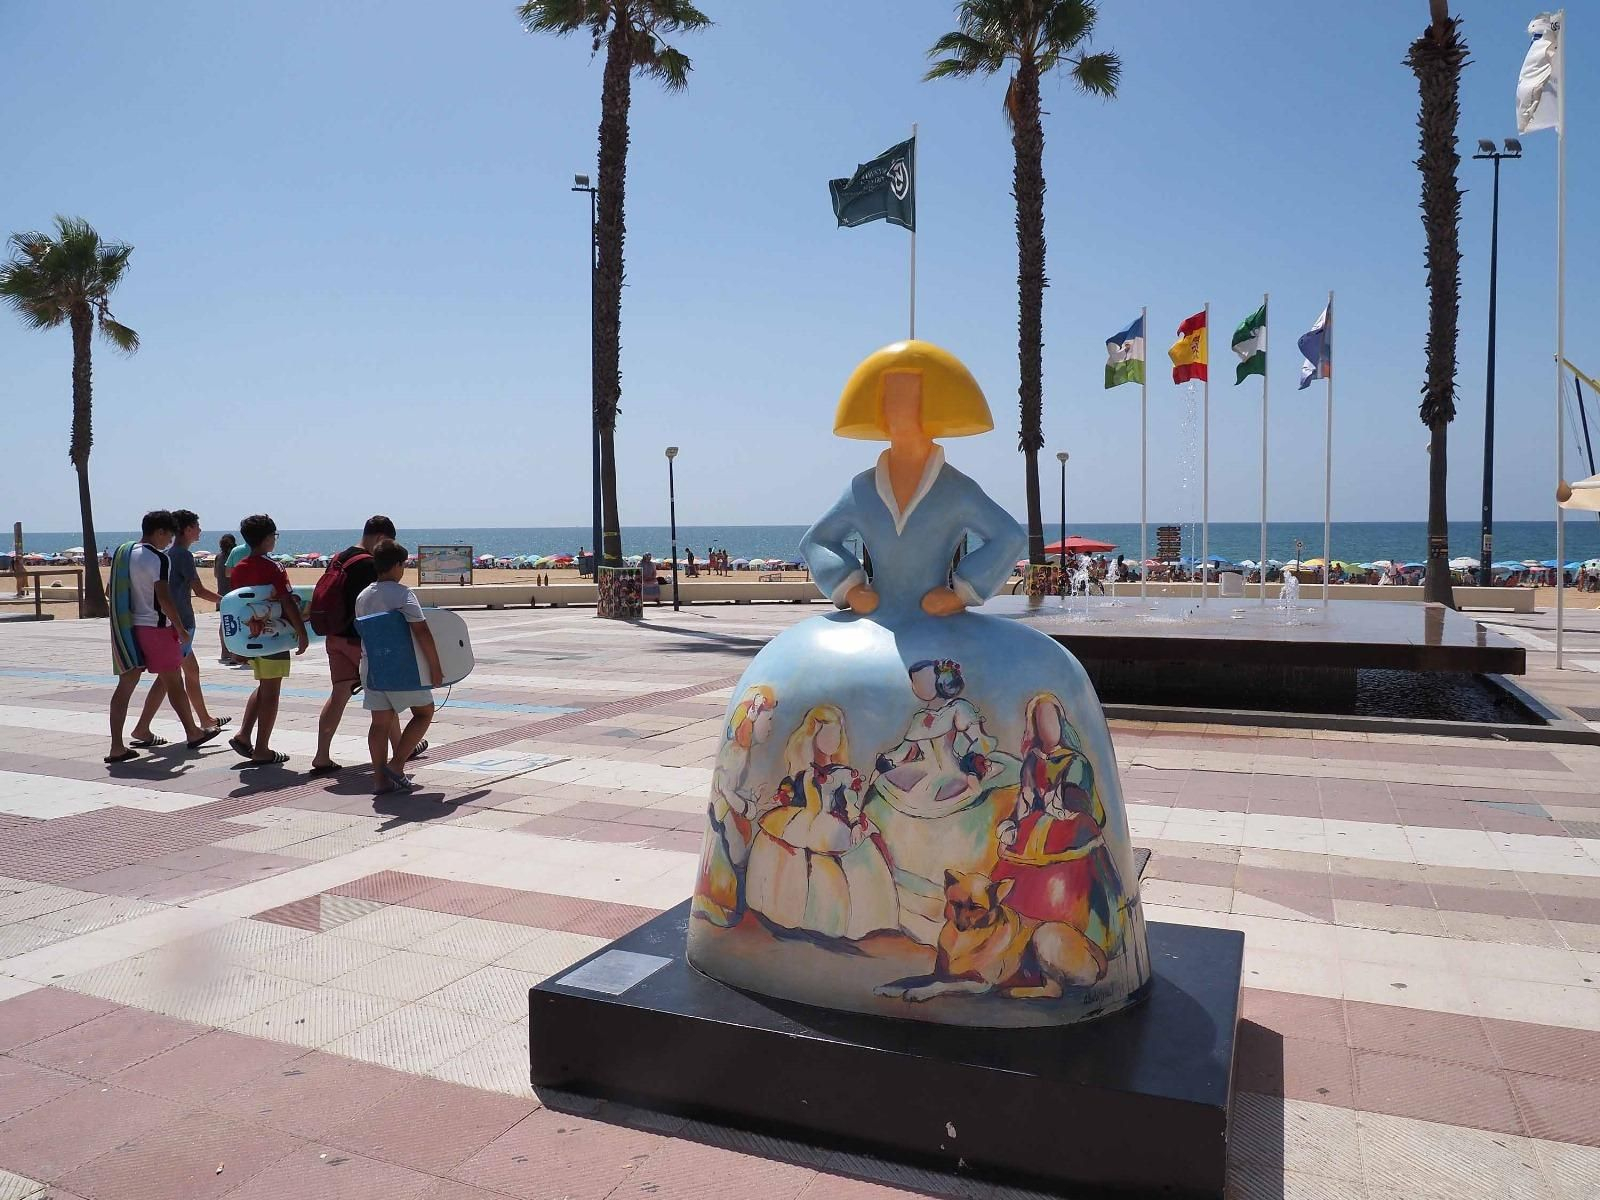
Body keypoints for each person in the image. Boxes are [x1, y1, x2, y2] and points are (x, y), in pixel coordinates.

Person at [309, 515, 425, 774]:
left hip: (334, 636)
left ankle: (321, 755)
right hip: (357, 640)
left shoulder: (341, 557)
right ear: (381, 537)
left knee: (339, 694)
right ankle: (399, 751)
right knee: (386, 693)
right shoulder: (368, 564)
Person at [105, 510, 223, 763]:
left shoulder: (124, 554)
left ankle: (117, 746)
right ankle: (193, 732)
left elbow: (109, 590)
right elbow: (164, 596)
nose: (168, 542)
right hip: (157, 627)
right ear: (159, 532)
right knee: (174, 681)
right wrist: (179, 628)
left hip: (130, 628)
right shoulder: (158, 558)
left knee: (125, 686)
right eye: (168, 536)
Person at [355, 538, 442, 795]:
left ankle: (379, 781)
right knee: (424, 712)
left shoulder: (363, 596)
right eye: (402, 564)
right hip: (402, 666)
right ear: (395, 566)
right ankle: (397, 763)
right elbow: (422, 631)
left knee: (379, 723)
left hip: (372, 666)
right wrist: (435, 667)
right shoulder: (403, 594)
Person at [227, 514, 307, 766]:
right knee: (272, 692)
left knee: (264, 685)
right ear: (268, 538)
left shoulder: (240, 568)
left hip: (250, 637)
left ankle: (243, 735)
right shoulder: (273, 567)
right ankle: (262, 748)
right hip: (272, 637)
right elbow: (286, 600)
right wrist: (301, 632)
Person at [215, 533, 245, 665]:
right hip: (233, 593)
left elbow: (216, 574)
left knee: (224, 623)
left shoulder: (218, 557)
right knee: (236, 623)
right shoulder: (234, 555)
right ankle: (234, 653)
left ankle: (224, 651)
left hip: (221, 592)